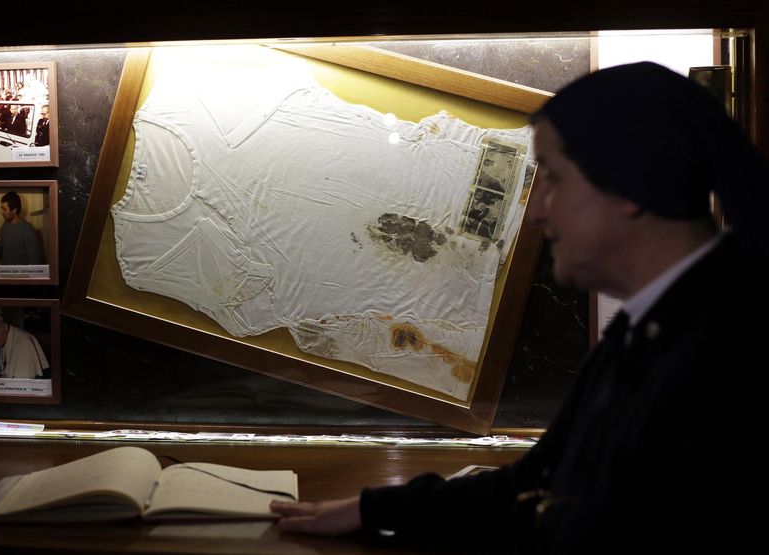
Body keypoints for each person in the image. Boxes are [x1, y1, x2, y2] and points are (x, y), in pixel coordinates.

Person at [271, 62, 768, 553]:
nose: (537, 211)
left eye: (552, 178)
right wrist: (373, 509)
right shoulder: (652, 330)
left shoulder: (733, 353)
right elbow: (533, 482)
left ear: (627, 185)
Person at [0, 313, 49, 379]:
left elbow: (25, 379)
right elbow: (4, 367)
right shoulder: (5, 339)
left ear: (5, 327)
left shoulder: (24, 342)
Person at [0, 191, 43, 265]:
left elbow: (35, 261)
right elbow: (1, 245)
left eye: (4, 209)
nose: (2, 212)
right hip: (5, 274)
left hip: (21, 275)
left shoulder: (27, 229)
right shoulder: (5, 226)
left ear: (14, 210)